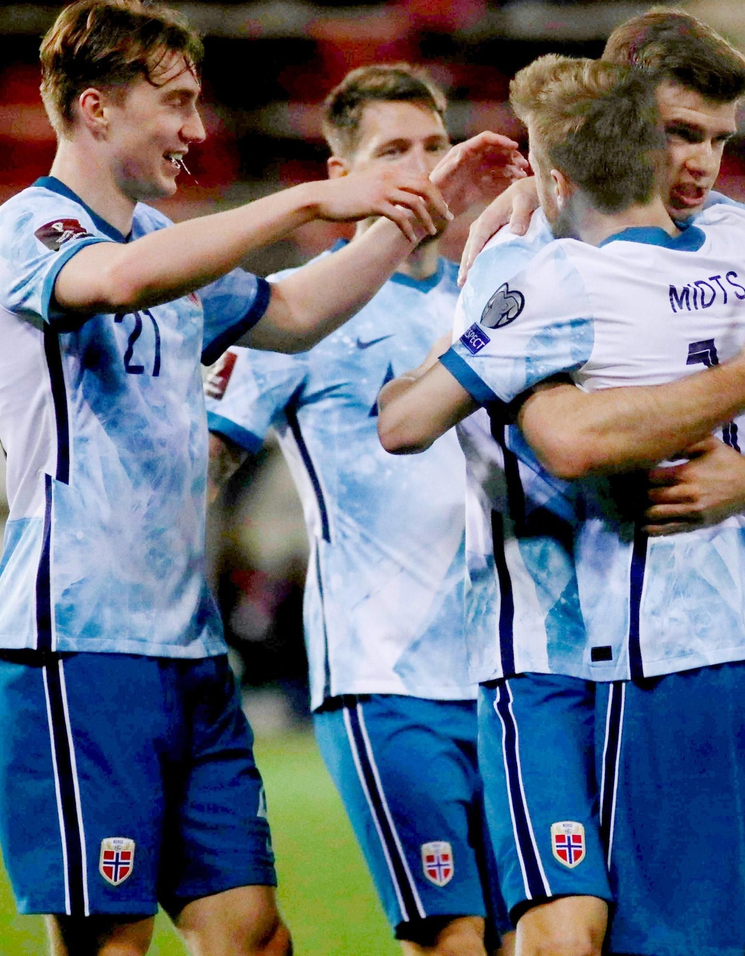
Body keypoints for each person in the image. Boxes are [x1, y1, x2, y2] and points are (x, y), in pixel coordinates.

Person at [0, 0, 512, 956]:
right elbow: (120, 285)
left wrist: (412, 218)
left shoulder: (157, 247)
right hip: (73, 648)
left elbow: (295, 313)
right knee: (111, 944)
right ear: (96, 109)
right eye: (174, 102)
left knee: (253, 936)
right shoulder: (27, 232)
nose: (196, 128)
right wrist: (308, 199)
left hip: (186, 648)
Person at [379, 53, 745, 956]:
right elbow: (562, 436)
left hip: (738, 647)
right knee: (584, 934)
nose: (702, 164)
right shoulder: (545, 266)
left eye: (721, 139)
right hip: (570, 650)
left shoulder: (736, 242)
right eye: (680, 134)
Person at [203, 63, 525, 956]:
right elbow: (203, 460)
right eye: (393, 153)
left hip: (517, 675)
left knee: (538, 938)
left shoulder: (494, 295)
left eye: (433, 146)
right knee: (452, 941)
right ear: (341, 176)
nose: (421, 170)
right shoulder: (303, 310)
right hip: (387, 678)